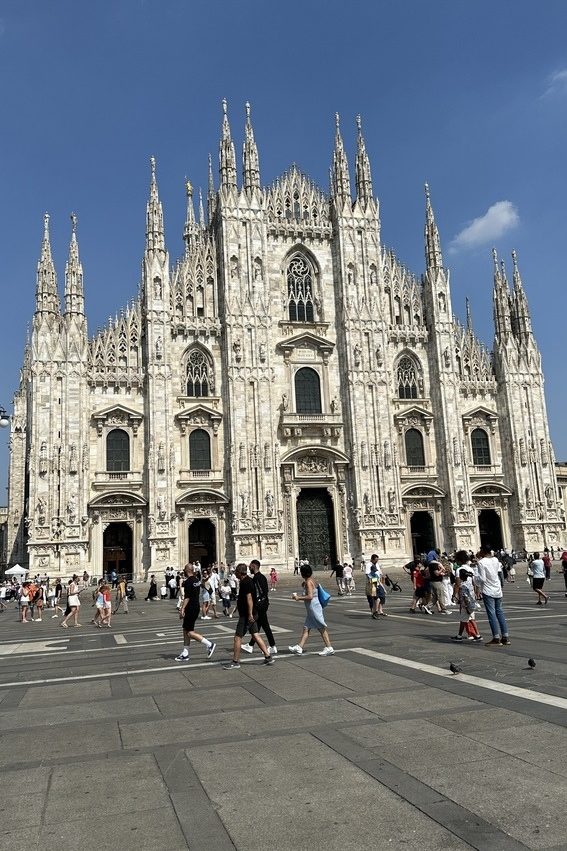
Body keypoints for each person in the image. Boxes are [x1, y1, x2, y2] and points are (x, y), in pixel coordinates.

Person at [224, 563, 273, 669]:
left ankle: (235, 661)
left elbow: (249, 599)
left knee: (237, 637)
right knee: (255, 634)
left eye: (235, 572)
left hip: (247, 615)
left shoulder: (246, 582)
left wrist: (250, 614)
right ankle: (268, 656)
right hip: (252, 613)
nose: (234, 574)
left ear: (239, 572)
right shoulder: (247, 581)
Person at [288, 563, 334, 656]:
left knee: (321, 627)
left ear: (303, 573)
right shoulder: (311, 580)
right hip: (312, 607)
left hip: (313, 607)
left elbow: (310, 596)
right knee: (306, 628)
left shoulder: (308, 582)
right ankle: (299, 647)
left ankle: (329, 647)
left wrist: (298, 598)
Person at [175, 563, 216, 663]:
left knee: (189, 632)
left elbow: (187, 597)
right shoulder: (196, 580)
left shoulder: (188, 582)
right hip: (196, 606)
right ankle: (185, 653)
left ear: (186, 570)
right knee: (185, 629)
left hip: (190, 608)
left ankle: (209, 644)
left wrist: (182, 609)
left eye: (184, 570)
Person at [241, 559, 277, 656]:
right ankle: (250, 645)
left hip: (260, 605)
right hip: (263, 604)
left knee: (265, 626)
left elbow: (259, 593)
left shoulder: (257, 578)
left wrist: (256, 603)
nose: (249, 568)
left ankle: (273, 646)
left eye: (250, 566)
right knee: (259, 625)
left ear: (253, 566)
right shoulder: (261, 577)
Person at [476, 544, 510, 646]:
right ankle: (505, 637)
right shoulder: (496, 560)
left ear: (482, 551)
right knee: (500, 612)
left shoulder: (481, 562)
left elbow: (482, 579)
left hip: (488, 590)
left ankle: (496, 638)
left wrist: (474, 579)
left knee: (492, 614)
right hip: (497, 589)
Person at [452, 568, 482, 642]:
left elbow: (465, 597)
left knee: (463, 620)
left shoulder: (462, 586)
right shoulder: (470, 584)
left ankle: (459, 636)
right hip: (472, 604)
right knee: (472, 619)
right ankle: (477, 635)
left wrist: (465, 606)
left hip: (466, 605)